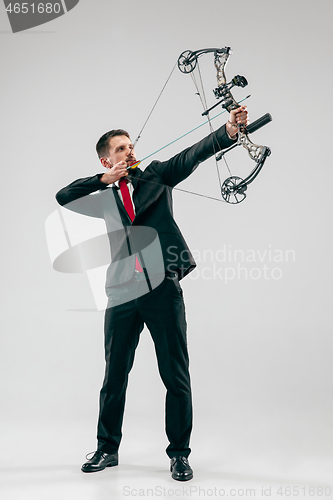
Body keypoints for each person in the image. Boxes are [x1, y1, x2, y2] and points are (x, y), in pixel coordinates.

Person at [55, 106, 249, 481]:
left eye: (131, 146)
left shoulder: (158, 175)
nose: (130, 151)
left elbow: (194, 153)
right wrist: (103, 178)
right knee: (114, 375)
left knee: (175, 374)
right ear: (106, 158)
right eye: (121, 148)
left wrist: (227, 131)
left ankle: (178, 454)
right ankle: (107, 449)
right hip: (122, 292)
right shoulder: (102, 196)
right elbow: (63, 196)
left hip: (162, 289)